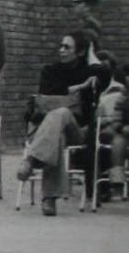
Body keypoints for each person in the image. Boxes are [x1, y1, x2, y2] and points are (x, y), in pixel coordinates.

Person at [16, 31, 109, 216]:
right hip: (46, 131)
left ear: (80, 52)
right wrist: (77, 88)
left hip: (77, 132)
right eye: (61, 45)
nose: (61, 50)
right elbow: (47, 94)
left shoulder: (90, 71)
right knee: (56, 129)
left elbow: (106, 74)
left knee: (62, 113)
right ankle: (49, 200)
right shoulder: (50, 70)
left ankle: (32, 159)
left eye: (67, 47)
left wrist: (90, 55)